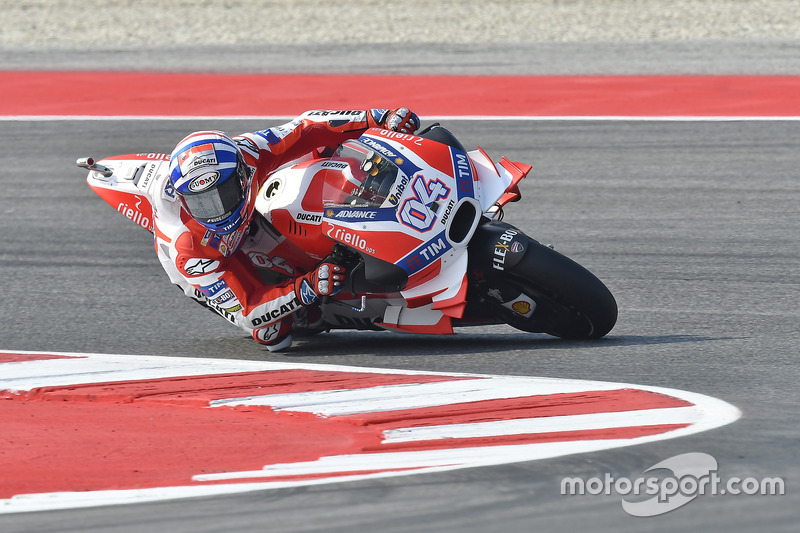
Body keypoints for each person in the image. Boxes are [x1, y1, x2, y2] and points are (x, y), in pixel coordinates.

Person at [151, 108, 421, 351]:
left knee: (322, 152)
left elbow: (306, 127)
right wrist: (308, 287)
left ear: (242, 174)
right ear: (183, 198)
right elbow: (249, 309)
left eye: (225, 193)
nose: (217, 210)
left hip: (251, 212)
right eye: (202, 203)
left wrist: (378, 118)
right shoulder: (188, 247)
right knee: (272, 334)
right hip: (216, 258)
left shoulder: (249, 152)